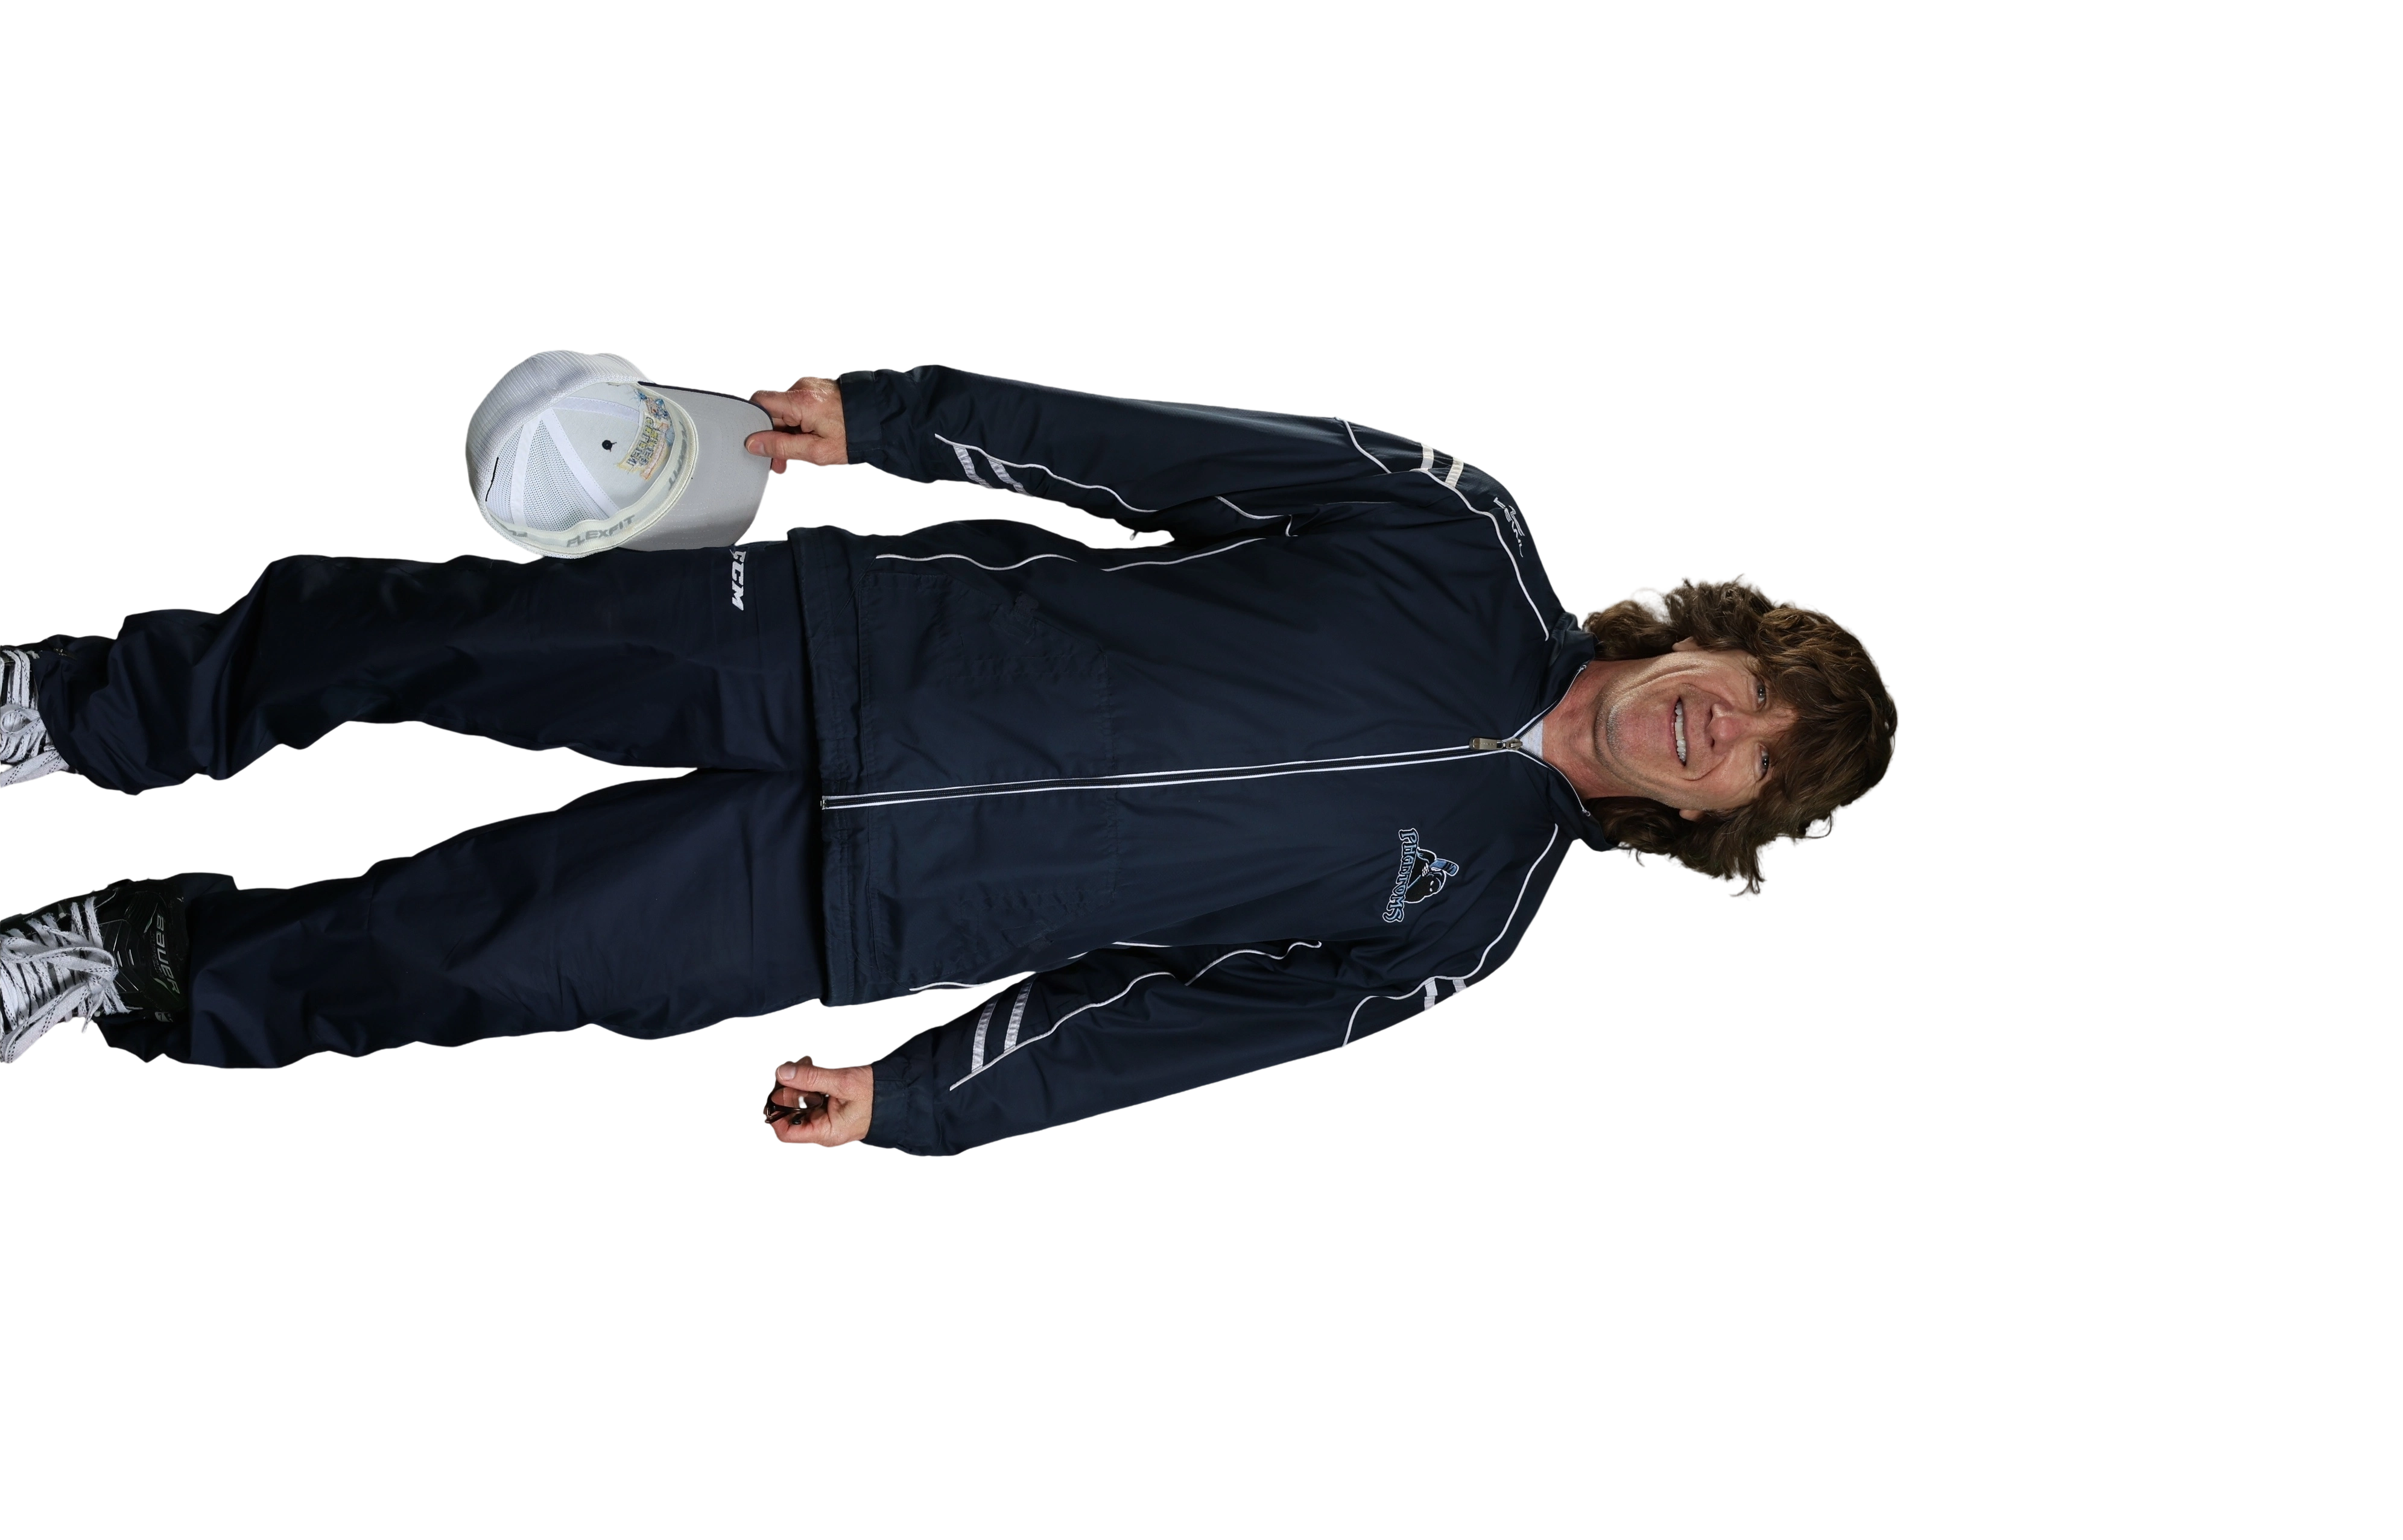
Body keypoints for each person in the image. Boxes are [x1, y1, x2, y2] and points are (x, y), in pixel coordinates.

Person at [0, 359, 1901, 1157]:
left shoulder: (1462, 924)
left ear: (1713, 819)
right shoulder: (1454, 529)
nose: (1729, 725)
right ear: (1707, 634)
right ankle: (80, 715)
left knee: (458, 964)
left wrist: (922, 1101)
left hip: (851, 905)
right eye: (1757, 685)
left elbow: (1158, 1028)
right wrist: (903, 418)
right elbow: (1151, 455)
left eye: (1760, 764)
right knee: (440, 636)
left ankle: (121, 961)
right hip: (848, 646)